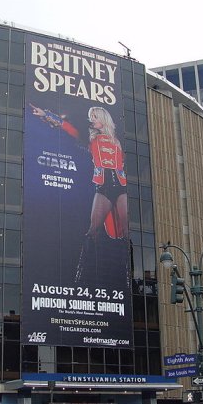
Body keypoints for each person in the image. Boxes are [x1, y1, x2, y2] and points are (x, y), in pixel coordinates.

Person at [30, 104, 129, 282]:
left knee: (127, 230)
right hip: (103, 187)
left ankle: (128, 276)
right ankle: (79, 276)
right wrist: (47, 114)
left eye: (95, 117)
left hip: (121, 187)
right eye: (91, 117)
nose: (92, 120)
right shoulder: (91, 139)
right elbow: (69, 128)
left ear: (103, 119)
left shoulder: (118, 139)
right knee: (92, 231)